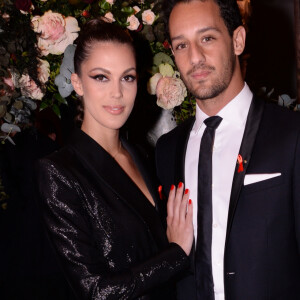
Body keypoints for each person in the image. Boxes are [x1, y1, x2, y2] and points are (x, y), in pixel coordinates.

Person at [36, 18, 194, 300]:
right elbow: (96, 291)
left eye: (127, 77)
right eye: (101, 77)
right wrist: (176, 254)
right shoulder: (60, 172)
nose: (117, 93)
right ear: (77, 83)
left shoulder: (141, 154)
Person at [156, 0, 300, 300]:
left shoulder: (291, 134)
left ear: (237, 40)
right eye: (181, 45)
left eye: (207, 38)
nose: (195, 57)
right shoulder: (167, 150)